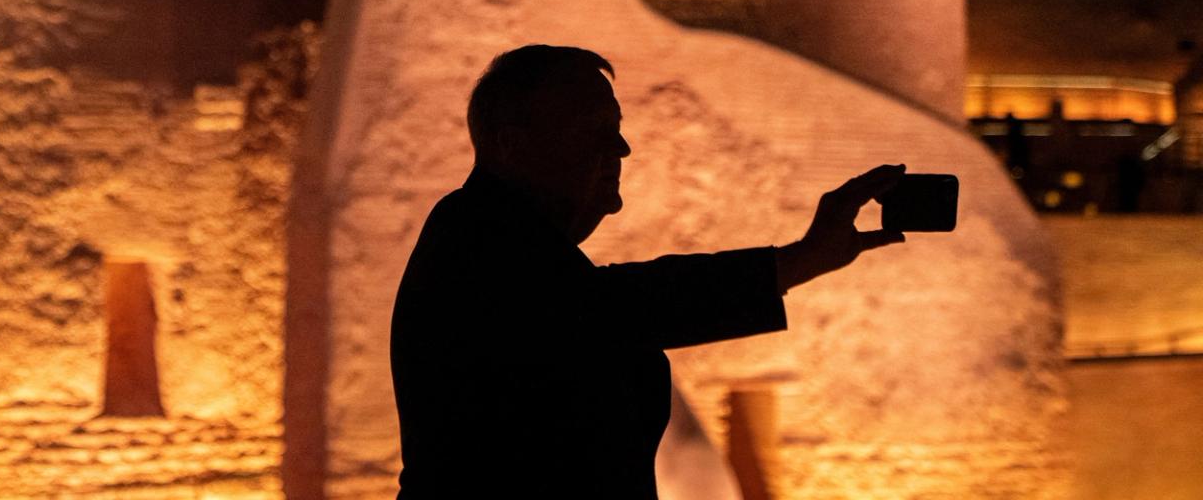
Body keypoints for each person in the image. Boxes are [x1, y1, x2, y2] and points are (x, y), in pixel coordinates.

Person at [389, 45, 908, 498]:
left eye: (616, 129)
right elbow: (614, 308)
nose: (620, 149)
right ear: (511, 143)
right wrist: (797, 261)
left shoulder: (510, 247)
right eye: (593, 130)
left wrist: (798, 262)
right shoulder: (477, 241)